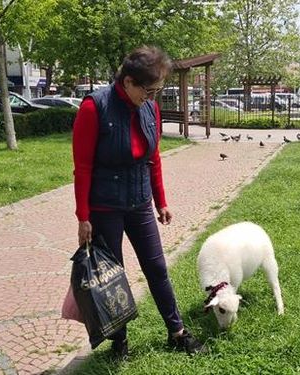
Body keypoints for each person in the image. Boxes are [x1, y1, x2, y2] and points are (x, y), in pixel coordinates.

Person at [72, 46, 206, 359]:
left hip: (140, 202)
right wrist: (83, 216)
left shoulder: (150, 108)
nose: (153, 96)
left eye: (158, 90)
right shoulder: (95, 107)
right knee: (112, 277)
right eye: (149, 89)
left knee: (157, 268)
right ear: (129, 82)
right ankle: (119, 343)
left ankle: (177, 332)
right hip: (105, 208)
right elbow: (83, 167)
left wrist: (161, 200)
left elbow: (153, 157)